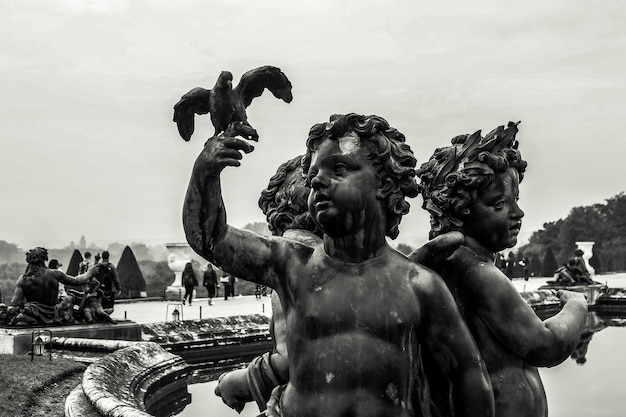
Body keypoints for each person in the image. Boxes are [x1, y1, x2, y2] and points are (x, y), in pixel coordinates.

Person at [183, 113, 494, 417]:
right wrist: (205, 172)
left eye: (339, 168)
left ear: (384, 183)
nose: (317, 180)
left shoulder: (419, 285)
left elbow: (468, 377)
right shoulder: (292, 263)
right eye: (313, 174)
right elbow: (211, 238)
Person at [417, 121, 588, 417]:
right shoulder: (476, 272)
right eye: (499, 204)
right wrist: (577, 306)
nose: (518, 213)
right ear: (460, 210)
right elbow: (545, 346)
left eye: (515, 200)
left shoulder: (452, 264)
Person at [9, 247, 96, 326]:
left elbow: (15, 302)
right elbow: (77, 281)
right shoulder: (54, 274)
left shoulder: (23, 279)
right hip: (53, 314)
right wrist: (90, 272)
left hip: (33, 314)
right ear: (44, 259)